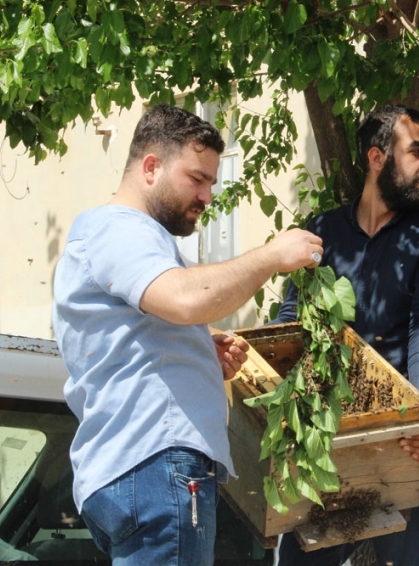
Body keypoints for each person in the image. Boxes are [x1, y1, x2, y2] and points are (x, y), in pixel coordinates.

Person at [52, 104, 324, 566]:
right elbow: (184, 299)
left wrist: (199, 342)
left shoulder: (117, 236)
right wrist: (271, 257)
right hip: (157, 464)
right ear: (152, 166)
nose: (207, 196)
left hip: (135, 468)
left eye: (212, 183)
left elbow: (138, 327)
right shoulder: (120, 227)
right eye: (197, 178)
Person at [274, 104, 419, 566]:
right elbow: (292, 320)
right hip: (328, 438)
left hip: (406, 439)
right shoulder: (321, 232)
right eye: (417, 152)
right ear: (378, 158)